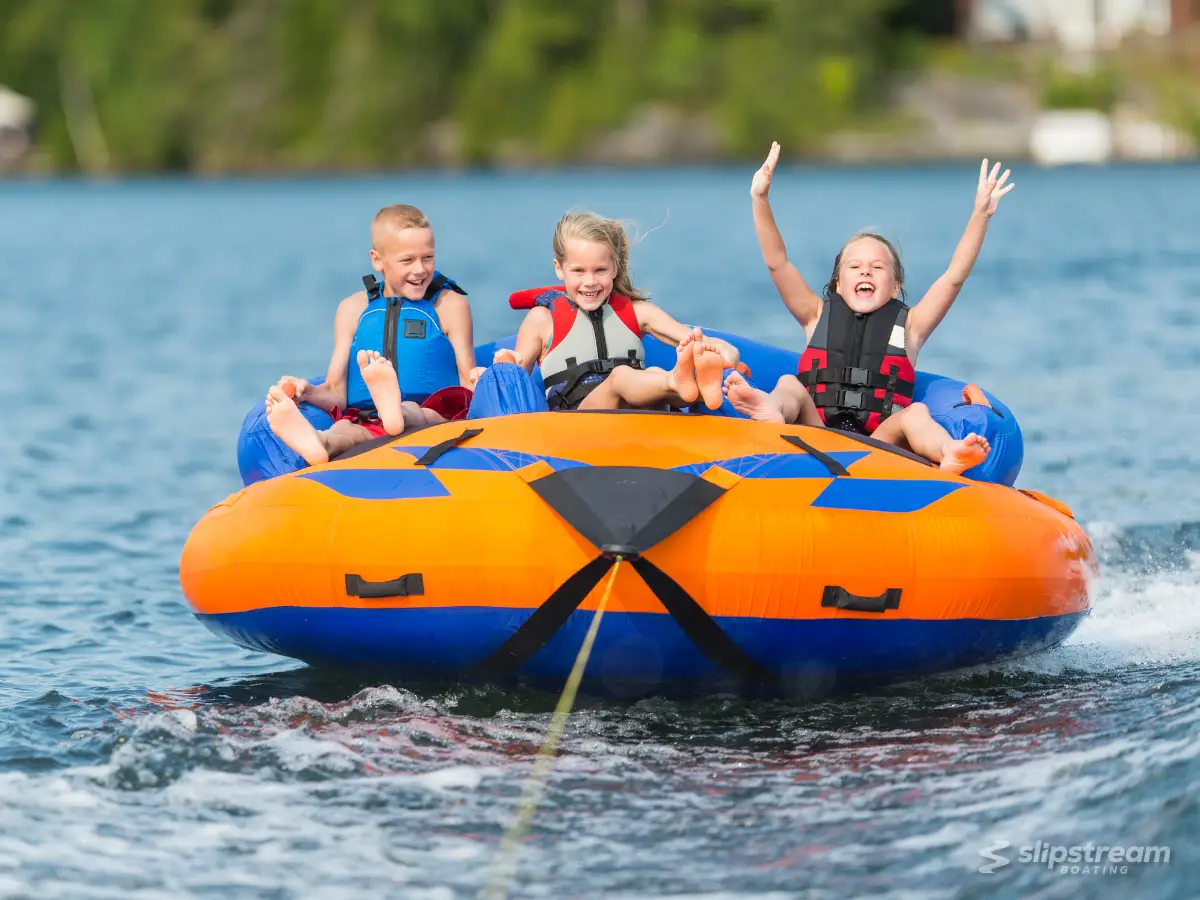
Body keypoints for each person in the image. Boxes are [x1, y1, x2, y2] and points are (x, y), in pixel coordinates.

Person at [723, 144, 1014, 474]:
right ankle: (771, 409)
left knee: (916, 414)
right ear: (837, 284)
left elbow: (954, 277)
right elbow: (778, 262)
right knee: (790, 384)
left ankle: (950, 451)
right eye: (854, 266)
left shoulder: (911, 326)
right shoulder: (815, 315)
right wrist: (760, 199)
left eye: (877, 267)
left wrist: (980, 215)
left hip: (879, 442)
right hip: (815, 430)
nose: (865, 272)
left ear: (895, 286)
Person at [264, 204, 476, 465]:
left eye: (428, 258)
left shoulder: (450, 305)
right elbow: (336, 391)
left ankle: (394, 413)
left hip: (433, 419)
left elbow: (467, 383)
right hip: (371, 419)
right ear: (377, 260)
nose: (420, 269)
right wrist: (307, 392)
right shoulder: (352, 309)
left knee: (413, 411)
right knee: (345, 429)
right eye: (407, 260)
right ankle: (319, 442)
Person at [473, 211, 739, 412]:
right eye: (578, 271)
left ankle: (694, 387)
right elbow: (514, 381)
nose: (590, 281)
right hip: (580, 420)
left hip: (646, 414)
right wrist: (504, 363)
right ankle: (678, 382)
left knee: (654, 374)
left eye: (600, 270)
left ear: (615, 268)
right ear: (559, 268)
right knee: (622, 377)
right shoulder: (542, 319)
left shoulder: (638, 313)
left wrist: (725, 353)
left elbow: (708, 344)